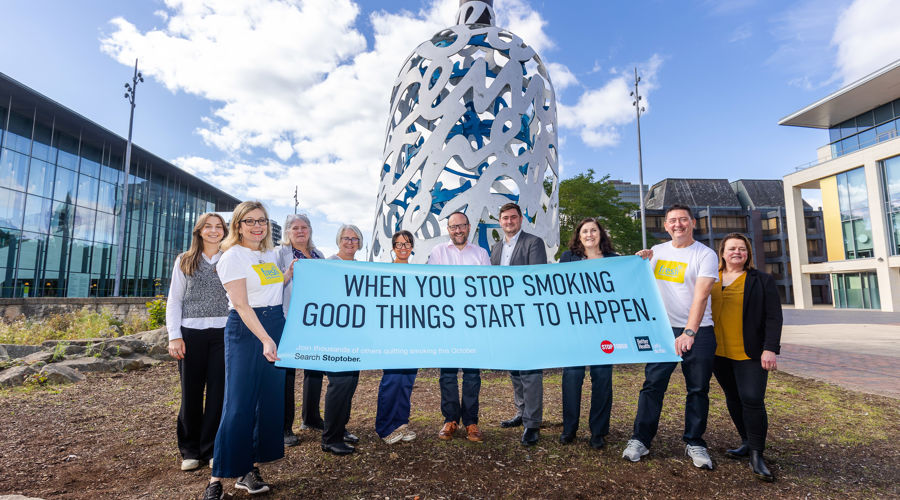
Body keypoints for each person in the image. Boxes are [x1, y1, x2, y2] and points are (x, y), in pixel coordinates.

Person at [622, 204, 719, 471]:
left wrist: (689, 331)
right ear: (665, 226)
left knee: (698, 389)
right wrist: (637, 260)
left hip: (698, 331)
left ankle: (694, 441)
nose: (678, 224)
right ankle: (640, 439)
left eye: (683, 220)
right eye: (672, 221)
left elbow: (701, 296)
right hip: (662, 331)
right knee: (653, 385)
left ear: (693, 223)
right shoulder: (656, 253)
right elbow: (636, 283)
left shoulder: (705, 254)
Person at [203, 201, 287, 500]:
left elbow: (270, 289)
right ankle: (215, 482)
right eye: (249, 221)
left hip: (275, 324)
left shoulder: (266, 254)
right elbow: (241, 303)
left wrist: (289, 272)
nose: (257, 226)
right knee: (237, 405)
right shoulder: (232, 256)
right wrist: (265, 339)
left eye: (261, 221)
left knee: (265, 403)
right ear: (237, 225)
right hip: (248, 330)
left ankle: (247, 470)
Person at [711, 233, 781, 482]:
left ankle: (756, 453)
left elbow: (774, 317)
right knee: (733, 397)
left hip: (750, 352)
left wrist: (770, 348)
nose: (736, 252)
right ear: (722, 252)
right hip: (718, 353)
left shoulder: (761, 280)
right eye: (732, 248)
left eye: (742, 249)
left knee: (752, 399)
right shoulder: (711, 279)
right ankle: (745, 441)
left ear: (748, 253)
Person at [166, 212, 229, 472]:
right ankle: (190, 451)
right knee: (191, 394)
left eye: (219, 227)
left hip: (224, 333)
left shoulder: (230, 258)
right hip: (191, 333)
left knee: (218, 394)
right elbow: (174, 300)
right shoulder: (185, 260)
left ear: (225, 231)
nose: (214, 231)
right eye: (208, 227)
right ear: (200, 231)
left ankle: (212, 448)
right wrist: (174, 335)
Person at [427, 211, 491, 442]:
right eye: (453, 227)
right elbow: (432, 285)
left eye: (462, 226)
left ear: (469, 226)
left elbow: (487, 288)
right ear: (448, 230)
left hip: (473, 323)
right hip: (447, 322)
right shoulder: (438, 252)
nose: (458, 230)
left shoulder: (481, 254)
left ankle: (471, 422)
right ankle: (450, 420)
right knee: (448, 373)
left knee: (473, 374)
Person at [489, 202, 547, 447]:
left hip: (527, 316)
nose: (509, 221)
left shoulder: (534, 243)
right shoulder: (496, 248)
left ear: (520, 219)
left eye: (513, 217)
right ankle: (522, 412)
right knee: (514, 369)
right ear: (500, 222)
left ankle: (532, 424)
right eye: (505, 218)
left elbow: (536, 280)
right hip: (503, 316)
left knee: (530, 370)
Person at [558, 218, 618, 450]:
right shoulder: (568, 258)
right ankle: (569, 429)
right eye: (585, 231)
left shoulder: (614, 260)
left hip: (604, 330)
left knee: (602, 380)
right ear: (579, 236)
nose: (590, 234)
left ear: (601, 234)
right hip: (575, 328)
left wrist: (642, 259)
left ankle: (598, 432)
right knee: (571, 379)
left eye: (594, 230)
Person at [276, 214, 326, 448]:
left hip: (314, 320)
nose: (300, 231)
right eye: (295, 228)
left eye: (304, 227)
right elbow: (274, 285)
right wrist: (289, 274)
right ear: (287, 231)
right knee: (286, 375)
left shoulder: (318, 255)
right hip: (288, 318)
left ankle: (312, 418)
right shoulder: (279, 254)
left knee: (314, 370)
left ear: (310, 230)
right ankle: (284, 426)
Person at [319, 224, 365, 455]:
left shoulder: (361, 267)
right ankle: (330, 438)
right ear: (339, 240)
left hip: (354, 335)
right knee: (339, 384)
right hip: (335, 336)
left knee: (350, 383)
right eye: (346, 238)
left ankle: (341, 427)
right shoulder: (328, 265)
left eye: (355, 239)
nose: (350, 242)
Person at [374, 230, 419, 444]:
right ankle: (385, 427)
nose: (403, 248)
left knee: (407, 380)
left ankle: (401, 423)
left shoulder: (419, 273)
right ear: (393, 247)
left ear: (412, 247)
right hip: (390, 332)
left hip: (412, 332)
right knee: (392, 379)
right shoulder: (384, 270)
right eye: (399, 244)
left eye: (407, 244)